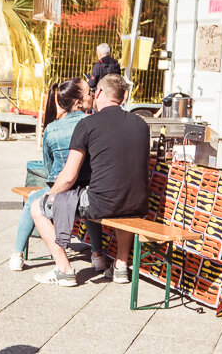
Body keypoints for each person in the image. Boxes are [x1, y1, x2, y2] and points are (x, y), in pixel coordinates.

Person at [43, 73, 150, 286]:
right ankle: (120, 266)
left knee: (38, 207)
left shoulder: (88, 124)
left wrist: (49, 195)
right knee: (123, 203)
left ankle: (64, 270)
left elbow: (69, 176)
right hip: (138, 203)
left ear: (99, 93)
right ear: (125, 96)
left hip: (101, 204)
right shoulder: (142, 125)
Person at [10, 77, 91, 273]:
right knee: (89, 211)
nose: (93, 94)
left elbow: (49, 168)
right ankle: (97, 255)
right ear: (78, 101)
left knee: (32, 201)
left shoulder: (52, 128)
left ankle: (17, 255)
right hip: (86, 187)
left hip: (59, 187)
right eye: (89, 92)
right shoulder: (91, 122)